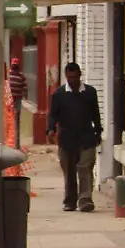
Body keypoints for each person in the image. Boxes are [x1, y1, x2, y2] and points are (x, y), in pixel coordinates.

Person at [46, 62, 103, 212]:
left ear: (80, 76)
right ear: (66, 77)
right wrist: (50, 130)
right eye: (69, 77)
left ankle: (85, 200)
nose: (72, 80)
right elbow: (53, 115)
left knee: (85, 168)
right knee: (69, 172)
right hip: (67, 139)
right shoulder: (58, 95)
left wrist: (98, 131)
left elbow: (95, 114)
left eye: (75, 77)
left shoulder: (90, 93)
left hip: (86, 137)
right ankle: (70, 201)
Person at [7, 58, 29, 146]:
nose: (14, 66)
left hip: (17, 100)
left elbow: (25, 87)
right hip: (9, 101)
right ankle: (10, 143)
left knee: (16, 120)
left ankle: (17, 144)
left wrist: (25, 95)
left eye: (16, 64)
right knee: (9, 120)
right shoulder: (8, 74)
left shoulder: (21, 75)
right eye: (13, 64)